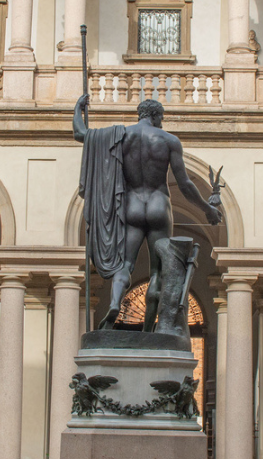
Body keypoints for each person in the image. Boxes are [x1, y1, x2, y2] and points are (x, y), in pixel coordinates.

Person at [73, 95, 220, 328]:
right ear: (156, 116)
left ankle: (115, 303)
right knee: (158, 270)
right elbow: (185, 184)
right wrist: (207, 209)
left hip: (131, 205)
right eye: (161, 117)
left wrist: (78, 110)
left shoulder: (120, 136)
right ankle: (148, 326)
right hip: (158, 205)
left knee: (126, 265)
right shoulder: (169, 140)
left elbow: (81, 134)